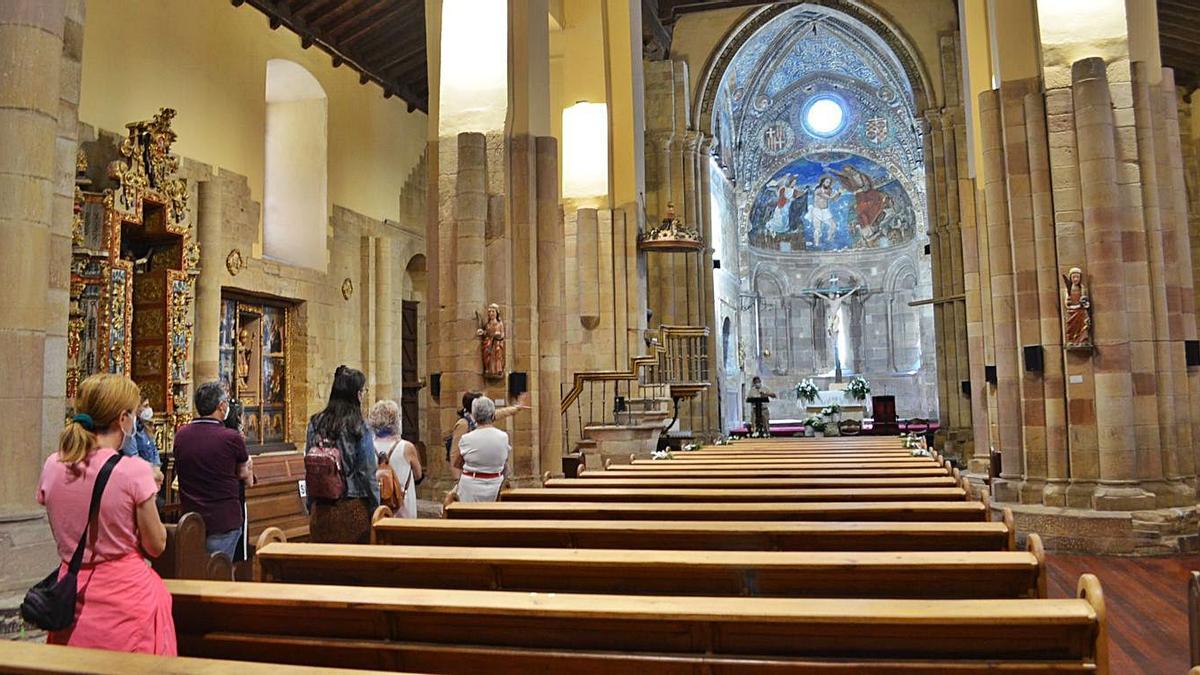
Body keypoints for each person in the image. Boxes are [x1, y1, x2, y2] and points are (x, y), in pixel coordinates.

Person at [36, 373, 175, 654]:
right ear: (122, 419)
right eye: (134, 414)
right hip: (125, 598)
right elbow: (156, 545)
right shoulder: (133, 471)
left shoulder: (54, 464)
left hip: (70, 591)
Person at [174, 382, 253, 558]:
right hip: (222, 519)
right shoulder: (230, 437)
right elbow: (243, 473)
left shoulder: (181, 435)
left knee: (194, 575)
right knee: (219, 575)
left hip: (192, 518)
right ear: (221, 406)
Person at [306, 365, 379, 543]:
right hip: (353, 507)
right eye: (362, 391)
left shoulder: (316, 422)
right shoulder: (359, 426)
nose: (363, 395)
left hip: (320, 507)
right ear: (356, 394)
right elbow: (367, 471)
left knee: (324, 565)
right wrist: (376, 506)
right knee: (353, 565)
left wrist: (311, 504)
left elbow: (308, 465)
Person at [452, 396, 515, 503]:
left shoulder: (467, 438)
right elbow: (505, 461)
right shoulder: (503, 437)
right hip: (496, 485)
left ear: (475, 416)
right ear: (492, 415)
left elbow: (457, 463)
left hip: (471, 487)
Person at [367, 399, 423, 519]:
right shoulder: (406, 447)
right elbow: (418, 475)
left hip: (377, 504)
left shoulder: (368, 447)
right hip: (402, 504)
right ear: (396, 421)